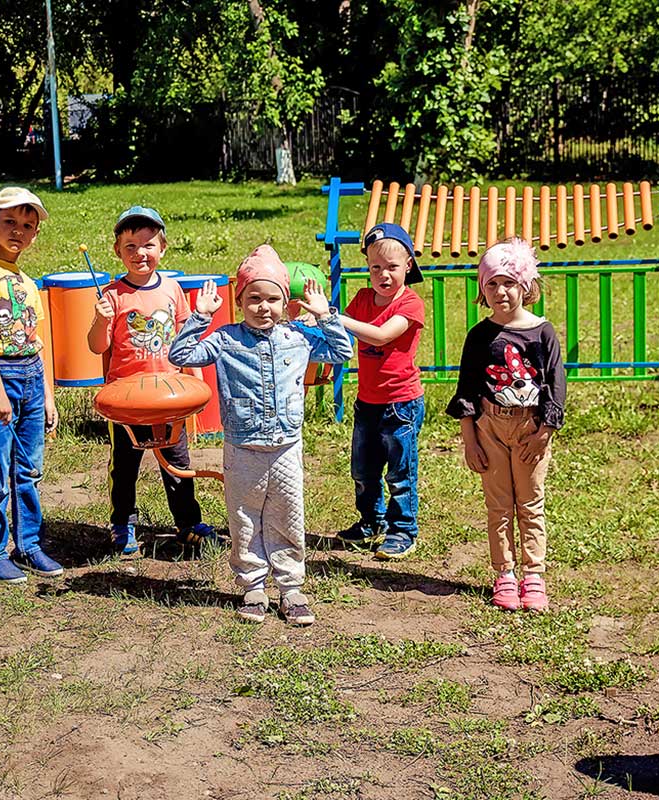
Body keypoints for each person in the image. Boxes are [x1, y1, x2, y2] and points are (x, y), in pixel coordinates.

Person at [169, 245, 353, 626]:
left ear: (286, 303)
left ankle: (291, 588)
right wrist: (201, 316)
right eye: (254, 298)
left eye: (273, 299)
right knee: (244, 517)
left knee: (288, 515)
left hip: (286, 446)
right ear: (239, 301)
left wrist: (324, 316)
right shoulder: (225, 340)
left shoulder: (299, 337)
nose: (263, 307)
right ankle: (253, 586)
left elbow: (342, 351)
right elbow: (181, 355)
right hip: (242, 447)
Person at [87, 205, 219, 555]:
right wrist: (100, 320)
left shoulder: (173, 289)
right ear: (118, 251)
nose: (139, 253)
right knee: (125, 467)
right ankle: (122, 523)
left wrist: (198, 387)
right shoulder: (112, 294)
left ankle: (187, 522)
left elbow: (186, 341)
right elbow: (96, 346)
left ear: (162, 248)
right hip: (127, 401)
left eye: (147, 245)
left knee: (178, 463)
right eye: (130, 246)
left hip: (169, 397)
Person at [446, 237, 565, 612]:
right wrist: (471, 439)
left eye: (509, 282)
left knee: (530, 503)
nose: (501, 291)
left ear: (525, 286)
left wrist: (544, 431)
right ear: (482, 289)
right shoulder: (479, 336)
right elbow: (466, 389)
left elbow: (555, 385)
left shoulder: (541, 332)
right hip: (490, 429)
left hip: (531, 430)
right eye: (492, 283)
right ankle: (505, 575)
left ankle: (534, 576)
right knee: (499, 505)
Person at [0, 186, 62, 584]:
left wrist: (49, 395)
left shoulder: (26, 280)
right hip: (0, 376)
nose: (18, 231)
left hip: (32, 377)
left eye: (27, 225)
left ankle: (29, 543)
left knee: (29, 468)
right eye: (10, 222)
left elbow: (39, 339)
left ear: (35, 234)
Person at [335, 222, 427, 559]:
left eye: (391, 267)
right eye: (375, 267)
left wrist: (335, 319)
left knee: (400, 473)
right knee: (363, 470)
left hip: (401, 404)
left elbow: (382, 335)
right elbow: (340, 337)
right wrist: (312, 323)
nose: (383, 274)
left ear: (408, 265)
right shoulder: (361, 299)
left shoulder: (410, 304)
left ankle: (403, 530)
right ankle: (372, 523)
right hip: (368, 403)